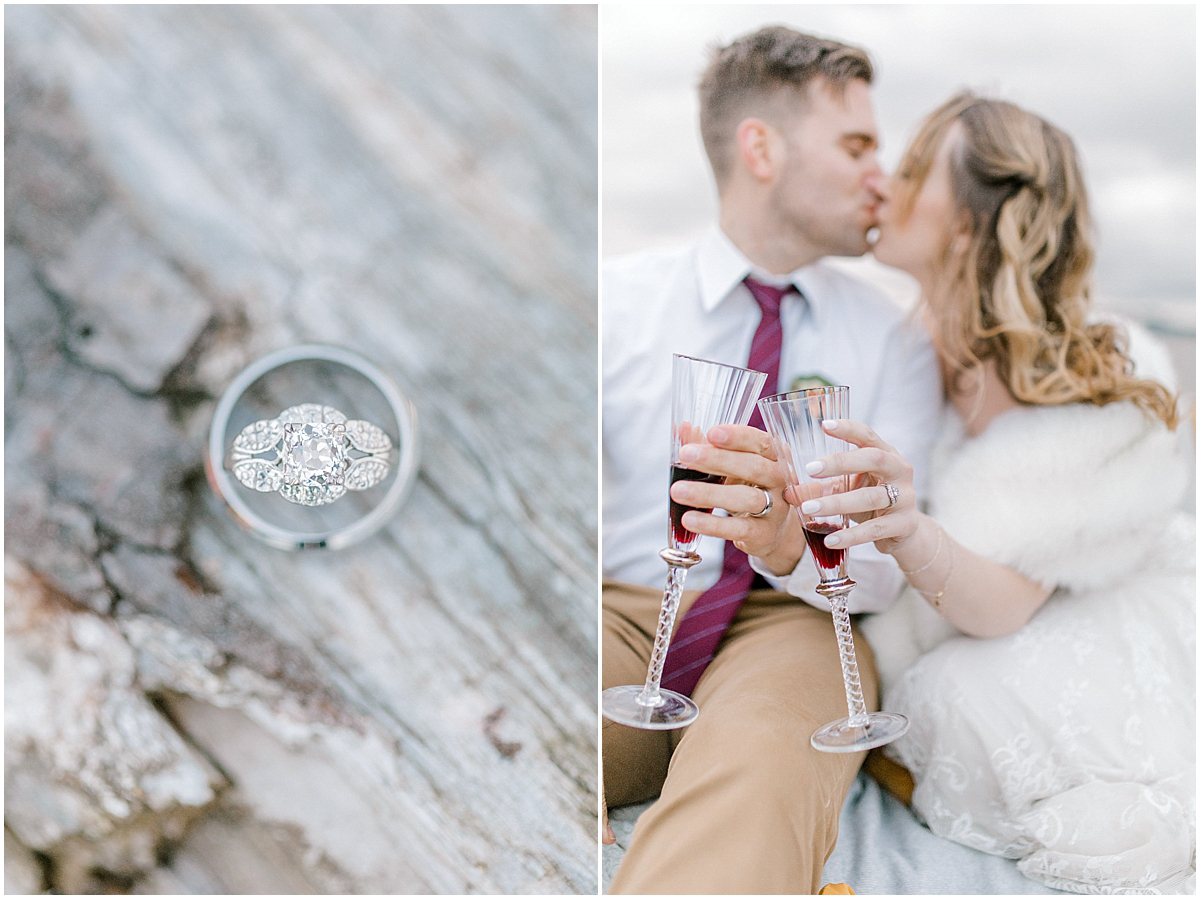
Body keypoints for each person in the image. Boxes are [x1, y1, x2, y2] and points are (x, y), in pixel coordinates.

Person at [800, 91, 1195, 893]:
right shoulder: (900, 341)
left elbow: (1005, 605)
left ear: (966, 225)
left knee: (957, 701)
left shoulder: (1085, 383)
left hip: (1091, 606)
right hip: (953, 611)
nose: (883, 180)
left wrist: (907, 530)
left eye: (914, 168)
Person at [602, 27, 943, 893]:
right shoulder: (615, 307)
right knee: (520, 713)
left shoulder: (895, 338)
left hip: (795, 621)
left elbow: (881, 573)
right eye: (857, 145)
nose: (883, 176)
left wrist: (791, 543)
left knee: (761, 765)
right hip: (623, 606)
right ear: (761, 148)